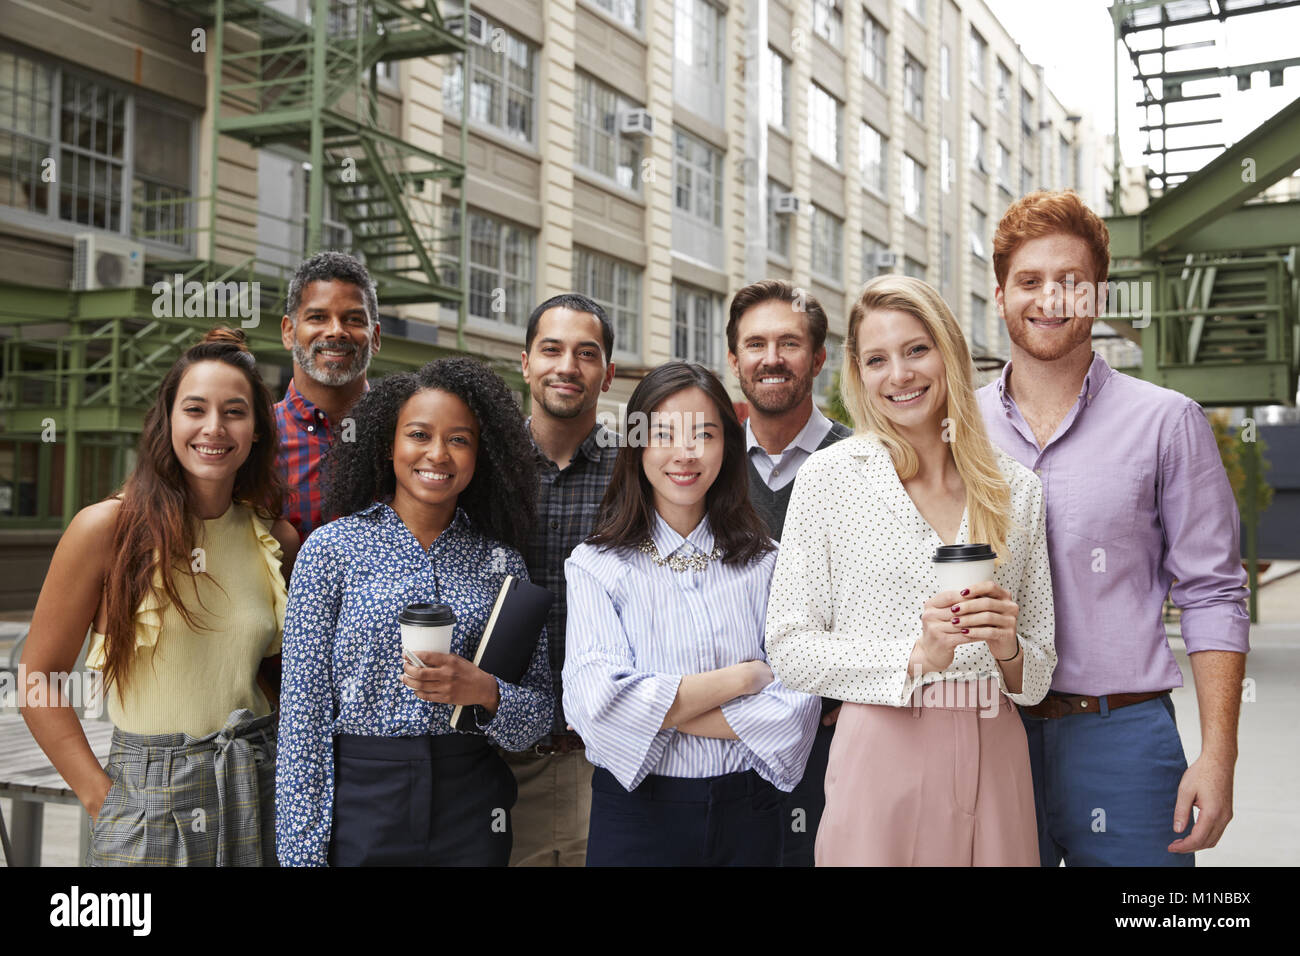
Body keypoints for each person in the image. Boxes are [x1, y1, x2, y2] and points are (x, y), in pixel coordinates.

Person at [978, 189, 1249, 866]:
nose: (1049, 299)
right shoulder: (958, 429)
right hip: (988, 732)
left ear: (1098, 297)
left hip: (1123, 736)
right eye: (1029, 282)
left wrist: (1219, 756)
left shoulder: (1167, 422)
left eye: (1070, 282)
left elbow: (1213, 592)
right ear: (999, 295)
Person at [766, 275, 1057, 866]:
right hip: (882, 748)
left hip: (997, 749)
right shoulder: (829, 480)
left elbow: (1040, 673)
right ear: (859, 373)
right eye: (877, 359)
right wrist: (916, 657)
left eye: (916, 350)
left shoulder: (1016, 490)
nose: (899, 375)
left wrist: (1008, 647)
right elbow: (790, 650)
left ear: (947, 352)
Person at [20, 327, 296, 866]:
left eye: (235, 412)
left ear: (259, 429)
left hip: (258, 785)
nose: (214, 428)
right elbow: (37, 677)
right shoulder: (105, 529)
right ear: (168, 419)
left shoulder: (275, 539)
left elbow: (282, 680)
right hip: (147, 800)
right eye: (195, 409)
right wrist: (102, 799)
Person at [275, 358, 552, 866]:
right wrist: (301, 854)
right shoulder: (331, 551)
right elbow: (302, 723)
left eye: (459, 440)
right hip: (361, 802)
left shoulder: (500, 561)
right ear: (388, 444)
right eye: (419, 434)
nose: (438, 454)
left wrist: (484, 692)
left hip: (472, 804)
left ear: (479, 454)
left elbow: (536, 718)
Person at [563, 362, 820, 866]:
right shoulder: (595, 566)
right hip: (637, 815)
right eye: (664, 434)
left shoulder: (768, 562)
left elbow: (796, 711)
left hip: (751, 813)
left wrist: (652, 711)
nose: (685, 454)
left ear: (727, 446)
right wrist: (745, 677)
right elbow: (597, 707)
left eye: (704, 434)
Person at [726, 278, 853, 867]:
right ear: (734, 360)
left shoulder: (868, 463)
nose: (771, 359)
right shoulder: (703, 466)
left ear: (819, 358)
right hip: (725, 739)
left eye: (789, 344)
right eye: (755, 344)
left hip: (836, 737)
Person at [507, 293, 619, 866]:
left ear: (608, 372)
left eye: (586, 353)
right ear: (525, 362)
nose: (567, 367)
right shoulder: (482, 470)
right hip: (499, 762)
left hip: (604, 759)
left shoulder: (639, 476)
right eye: (551, 350)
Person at [274, 251, 382, 540]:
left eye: (353, 319)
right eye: (318, 317)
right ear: (288, 332)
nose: (336, 331)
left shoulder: (406, 436)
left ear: (376, 337)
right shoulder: (255, 439)